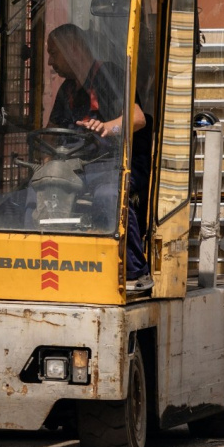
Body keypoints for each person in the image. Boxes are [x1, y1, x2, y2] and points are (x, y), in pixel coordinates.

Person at [45, 24, 150, 287]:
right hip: (79, 168)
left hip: (114, 166)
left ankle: (135, 272)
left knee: (108, 196)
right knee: (37, 194)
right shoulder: (67, 90)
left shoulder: (108, 75)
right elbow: (50, 133)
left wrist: (107, 127)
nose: (50, 62)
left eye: (54, 53)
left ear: (74, 49)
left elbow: (137, 119)